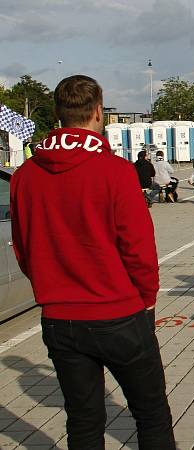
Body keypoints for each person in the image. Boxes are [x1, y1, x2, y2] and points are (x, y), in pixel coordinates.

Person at [10, 75, 175, 449]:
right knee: (150, 413)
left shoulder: (24, 176)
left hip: (59, 316)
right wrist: (147, 299)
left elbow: (23, 249)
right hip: (118, 312)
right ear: (99, 111)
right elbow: (139, 251)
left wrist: (53, 288)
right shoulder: (115, 171)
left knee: (83, 419)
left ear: (57, 114)